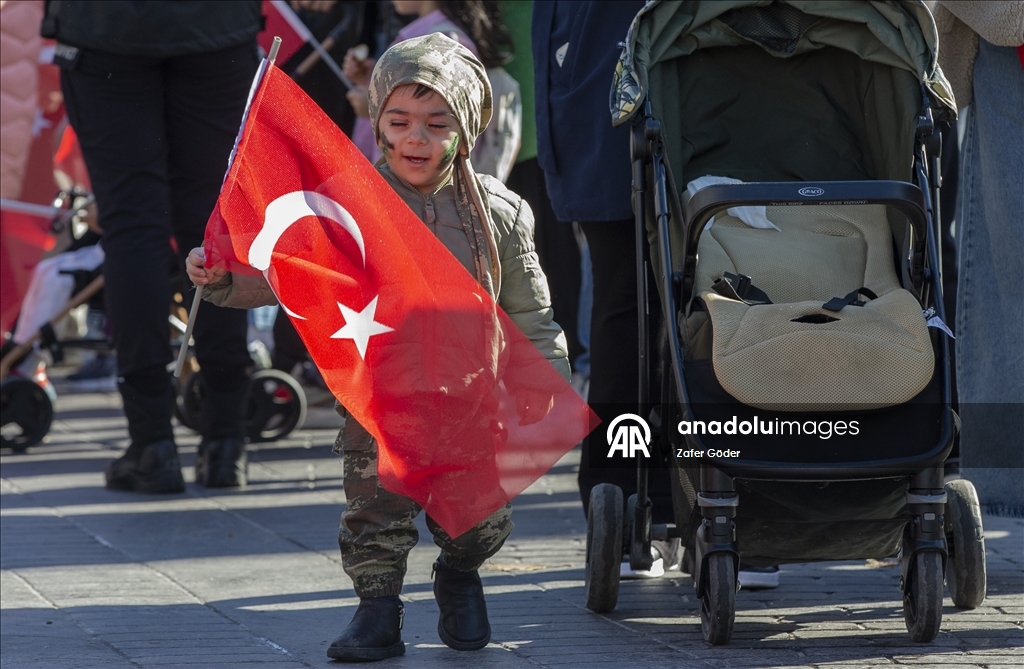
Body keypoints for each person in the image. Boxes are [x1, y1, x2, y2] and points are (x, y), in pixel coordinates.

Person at [187, 33, 570, 661]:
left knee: (479, 519)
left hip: (471, 392)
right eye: (399, 121)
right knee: (376, 509)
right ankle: (378, 609)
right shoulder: (348, 201)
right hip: (380, 389)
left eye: (436, 123)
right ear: (378, 123)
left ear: (468, 128)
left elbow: (530, 310)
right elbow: (293, 271)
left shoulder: (501, 212)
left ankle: (459, 573)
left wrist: (541, 383)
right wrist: (226, 277)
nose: (416, 137)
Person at [43, 0, 262, 492]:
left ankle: (152, 444)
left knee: (132, 228)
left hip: (106, 28)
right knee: (214, 221)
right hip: (216, 27)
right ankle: (226, 438)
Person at [935, 1, 1024, 516]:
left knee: (1008, 286)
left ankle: (1006, 492)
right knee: (1009, 285)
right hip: (1007, 42)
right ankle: (1007, 492)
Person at [343, 0, 518, 180]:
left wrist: (373, 107)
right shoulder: (431, 36)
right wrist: (372, 80)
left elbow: (430, 114)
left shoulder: (445, 42)